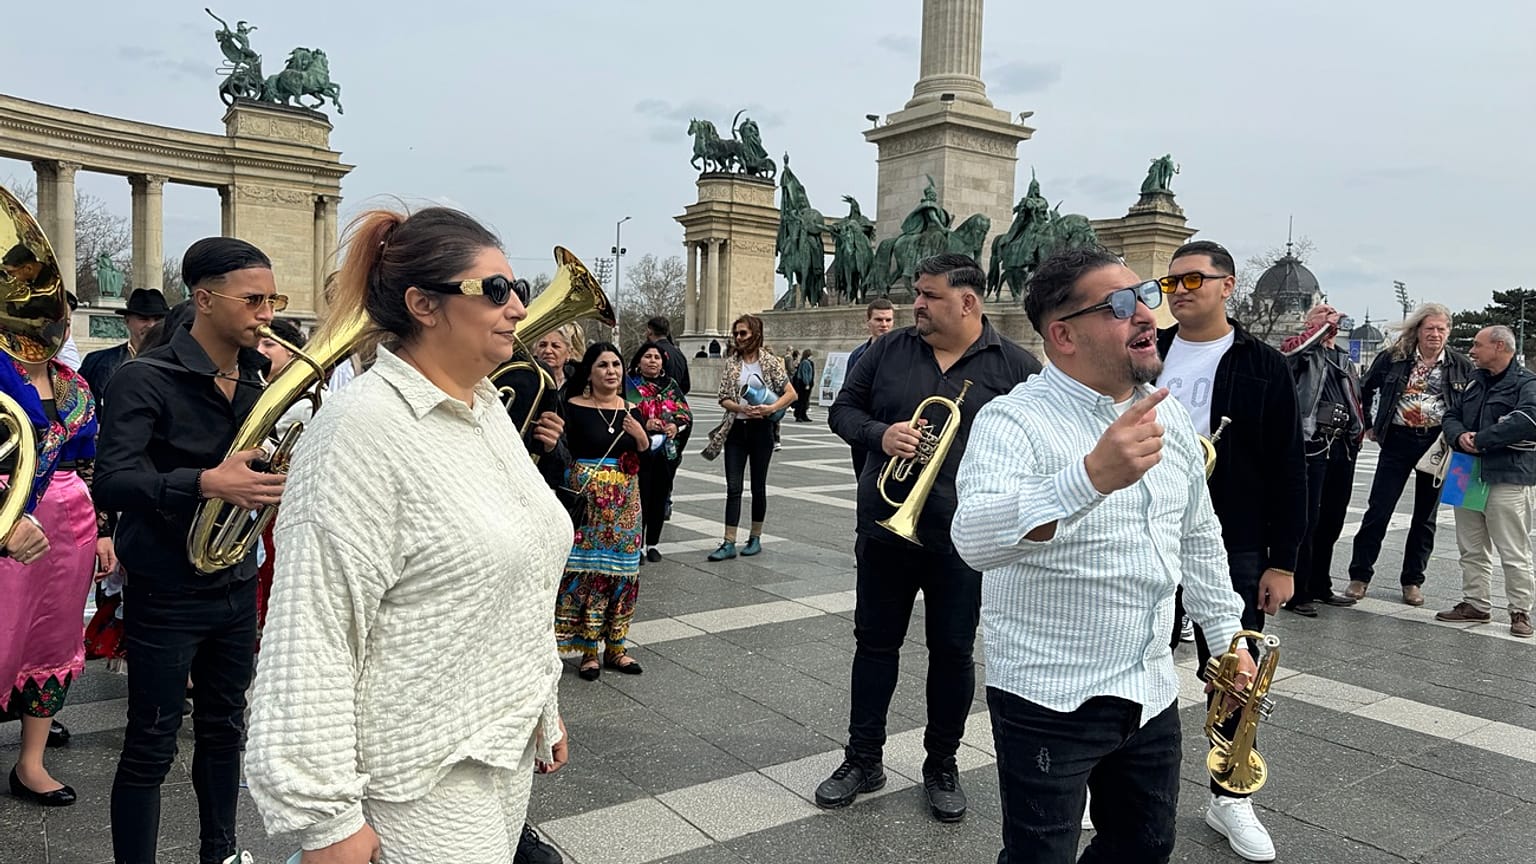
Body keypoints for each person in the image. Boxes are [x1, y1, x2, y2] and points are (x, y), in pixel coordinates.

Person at [245, 206, 571, 863]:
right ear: (423, 303)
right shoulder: (359, 426)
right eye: (497, 291)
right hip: (414, 773)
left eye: (521, 291)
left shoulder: (486, 410)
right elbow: (314, 630)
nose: (517, 309)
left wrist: (544, 702)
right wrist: (327, 819)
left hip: (493, 749)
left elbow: (523, 568)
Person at [951, 247, 1250, 863]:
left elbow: (1198, 537)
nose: (1145, 313)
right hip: (1049, 697)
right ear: (1062, 335)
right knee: (1041, 856)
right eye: (1118, 306)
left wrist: (1227, 639)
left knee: (1143, 846)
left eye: (1143, 295)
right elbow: (974, 539)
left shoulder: (1169, 422)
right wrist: (1088, 479)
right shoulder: (1014, 421)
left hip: (1149, 687)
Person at [819, 254, 1041, 821]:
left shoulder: (1015, 367)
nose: (915, 304)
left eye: (928, 295)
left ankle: (941, 764)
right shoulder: (886, 350)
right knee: (874, 646)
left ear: (967, 302)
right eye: (916, 293)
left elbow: (1038, 448)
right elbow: (841, 410)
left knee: (952, 653)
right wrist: (880, 433)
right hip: (885, 529)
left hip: (962, 540)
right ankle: (862, 757)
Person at [98, 238, 284, 864]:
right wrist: (205, 481)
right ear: (204, 299)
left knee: (224, 730)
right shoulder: (143, 376)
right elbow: (114, 480)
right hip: (166, 586)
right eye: (253, 299)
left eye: (271, 299)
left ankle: (221, 854)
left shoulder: (257, 380)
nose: (266, 312)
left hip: (234, 581)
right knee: (150, 741)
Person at [1156, 240, 1303, 861]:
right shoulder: (1146, 349)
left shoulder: (1263, 363)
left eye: (1194, 279)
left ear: (1227, 285)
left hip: (1235, 537)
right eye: (1170, 284)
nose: (1181, 290)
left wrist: (1284, 559)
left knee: (1234, 672)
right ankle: (1109, 780)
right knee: (1132, 658)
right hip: (1149, 533)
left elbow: (1289, 466)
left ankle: (1230, 793)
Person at [0, 267, 108, 810]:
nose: (56, 328)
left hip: (70, 524)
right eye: (44, 316)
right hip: (7, 513)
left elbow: (88, 463)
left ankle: (31, 760)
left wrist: (105, 533)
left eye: (61, 318)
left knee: (54, 637)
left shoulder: (75, 384)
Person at [1346, 303, 1471, 606]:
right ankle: (1359, 576)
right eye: (1430, 328)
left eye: (1442, 329)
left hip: (1437, 444)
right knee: (1379, 509)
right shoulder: (1394, 358)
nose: (1435, 334)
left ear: (1449, 332)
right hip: (1398, 439)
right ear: (1418, 330)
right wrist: (1371, 425)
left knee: (1425, 518)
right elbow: (1362, 389)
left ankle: (1412, 581)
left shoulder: (1460, 364)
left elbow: (1471, 403)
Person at [554, 342, 649, 679]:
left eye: (616, 365)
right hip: (588, 504)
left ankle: (617, 647)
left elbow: (647, 459)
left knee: (622, 573)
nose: (611, 371)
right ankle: (589, 651)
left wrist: (641, 438)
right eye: (603, 365)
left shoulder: (633, 410)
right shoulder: (573, 407)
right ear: (590, 373)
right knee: (588, 574)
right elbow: (562, 452)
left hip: (625, 505)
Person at [1435, 325, 1536, 637]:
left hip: (1506, 474)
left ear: (1499, 347)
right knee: (1470, 544)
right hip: (1466, 471)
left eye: (1478, 345)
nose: (1472, 351)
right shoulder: (1475, 381)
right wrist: (1458, 436)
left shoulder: (1526, 383)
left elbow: (1527, 420)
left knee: (1513, 547)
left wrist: (1481, 439)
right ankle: (1475, 603)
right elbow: (1450, 415)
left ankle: (1520, 611)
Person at [1283, 304, 1365, 616]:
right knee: (1307, 519)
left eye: (1334, 314)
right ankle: (1298, 590)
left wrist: (1360, 429)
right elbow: (1291, 357)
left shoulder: (1343, 357)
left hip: (1342, 444)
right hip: (1312, 442)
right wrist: (1318, 330)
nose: (1331, 317)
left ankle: (1321, 583)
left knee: (1332, 519)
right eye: (1322, 313)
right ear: (1309, 322)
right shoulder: (1300, 349)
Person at [707, 315, 797, 561]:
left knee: (758, 486)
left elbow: (791, 394)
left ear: (755, 334)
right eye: (736, 333)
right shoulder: (732, 363)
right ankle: (728, 542)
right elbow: (723, 397)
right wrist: (740, 408)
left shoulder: (770, 362)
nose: (738, 338)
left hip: (761, 431)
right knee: (733, 487)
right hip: (736, 429)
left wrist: (769, 409)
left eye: (743, 333)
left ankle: (755, 537)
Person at [629, 341, 691, 562]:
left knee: (659, 498)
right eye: (647, 356)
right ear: (639, 360)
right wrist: (644, 424)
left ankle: (652, 543)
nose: (652, 361)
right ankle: (636, 545)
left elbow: (685, 414)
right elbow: (624, 413)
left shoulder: (671, 386)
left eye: (656, 357)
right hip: (638, 454)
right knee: (640, 498)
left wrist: (675, 425)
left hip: (665, 453)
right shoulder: (630, 385)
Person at [79, 287, 170, 404]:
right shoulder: (95, 363)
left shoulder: (180, 363)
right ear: (127, 321)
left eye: (158, 319)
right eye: (143, 319)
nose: (151, 325)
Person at [845, 298, 896, 475]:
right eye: (878, 320)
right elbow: (848, 396)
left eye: (888, 320)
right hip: (864, 429)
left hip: (892, 430)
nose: (884, 324)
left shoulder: (904, 355)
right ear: (868, 322)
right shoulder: (857, 356)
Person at [645, 315, 691, 395]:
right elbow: (686, 386)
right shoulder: (678, 353)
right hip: (674, 402)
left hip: (654, 402)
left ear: (650, 331)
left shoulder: (650, 353)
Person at [792, 349, 816, 422]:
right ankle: (799, 415)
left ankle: (803, 415)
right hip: (804, 384)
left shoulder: (806, 362)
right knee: (802, 400)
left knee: (805, 400)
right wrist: (807, 383)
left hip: (804, 383)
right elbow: (805, 373)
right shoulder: (806, 362)